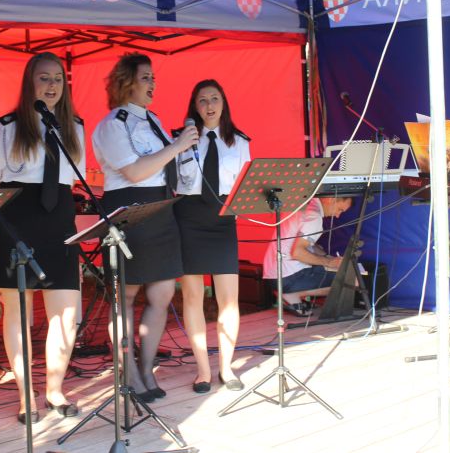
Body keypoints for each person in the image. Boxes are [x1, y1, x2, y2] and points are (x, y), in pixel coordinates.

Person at [91, 52, 199, 402]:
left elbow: (165, 164)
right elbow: (135, 172)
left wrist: (182, 150)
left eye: (153, 77)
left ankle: (147, 366)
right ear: (126, 82)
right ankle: (129, 373)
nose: (153, 83)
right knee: (126, 296)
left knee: (163, 293)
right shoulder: (112, 124)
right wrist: (177, 145)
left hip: (161, 208)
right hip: (129, 208)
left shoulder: (153, 119)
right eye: (145, 77)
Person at [0, 52, 84, 421]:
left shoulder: (74, 125)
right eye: (44, 78)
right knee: (18, 312)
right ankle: (26, 394)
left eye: (58, 78)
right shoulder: (6, 126)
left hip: (59, 219)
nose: (52, 85)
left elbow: (72, 179)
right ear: (30, 82)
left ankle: (55, 390)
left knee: (67, 312)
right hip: (16, 218)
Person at [173, 79, 250, 394]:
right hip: (189, 217)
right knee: (193, 297)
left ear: (223, 103)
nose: (209, 105)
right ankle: (202, 369)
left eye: (214, 98)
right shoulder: (180, 139)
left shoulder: (239, 141)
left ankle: (226, 368)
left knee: (228, 299)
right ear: (195, 106)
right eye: (202, 100)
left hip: (223, 218)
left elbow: (245, 184)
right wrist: (182, 142)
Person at [262, 196, 353, 316]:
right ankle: (292, 294)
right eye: (339, 209)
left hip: (273, 275)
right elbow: (298, 252)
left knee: (327, 267)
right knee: (351, 280)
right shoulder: (313, 217)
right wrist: (328, 262)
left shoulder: (301, 204)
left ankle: (292, 296)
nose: (337, 215)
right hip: (288, 278)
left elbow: (306, 245)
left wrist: (327, 257)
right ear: (331, 199)